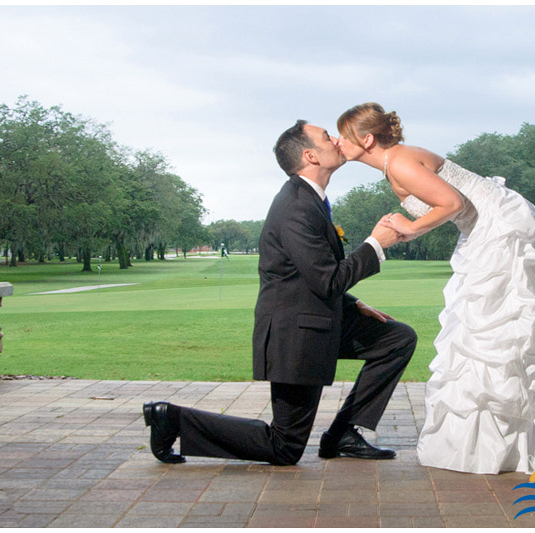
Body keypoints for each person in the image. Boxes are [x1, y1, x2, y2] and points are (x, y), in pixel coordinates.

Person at [336, 103, 535, 476]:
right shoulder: (395, 164)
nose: (338, 143)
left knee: (500, 324)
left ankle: (524, 436)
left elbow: (453, 203)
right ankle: (506, 437)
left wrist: (411, 229)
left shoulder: (401, 161)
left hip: (502, 230)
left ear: (366, 139)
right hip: (487, 229)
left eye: (343, 135)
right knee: (491, 328)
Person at [143, 120, 417, 466]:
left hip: (318, 318)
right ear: (310, 155)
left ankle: (344, 432)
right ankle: (172, 419)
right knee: (284, 447)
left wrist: (354, 303)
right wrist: (377, 243)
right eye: (325, 137)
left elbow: (301, 276)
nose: (335, 139)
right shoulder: (296, 207)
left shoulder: (312, 200)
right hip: (296, 334)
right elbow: (327, 280)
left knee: (396, 339)